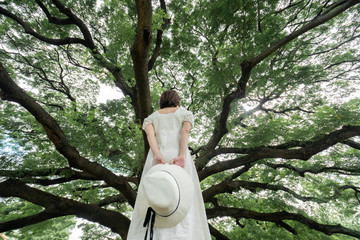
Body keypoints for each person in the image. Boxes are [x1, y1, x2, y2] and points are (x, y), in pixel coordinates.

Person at [127, 90, 211, 240]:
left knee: (154, 195)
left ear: (161, 102)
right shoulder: (185, 114)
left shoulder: (151, 118)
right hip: (178, 158)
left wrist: (157, 154)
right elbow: (185, 131)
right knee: (184, 196)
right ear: (177, 101)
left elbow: (149, 135)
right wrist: (182, 155)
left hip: (157, 160)